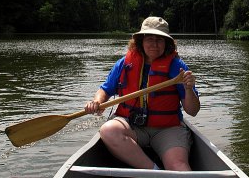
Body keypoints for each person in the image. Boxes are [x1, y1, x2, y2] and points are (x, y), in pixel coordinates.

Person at [84, 16, 200, 171]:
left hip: (167, 129)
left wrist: (188, 88)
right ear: (141, 41)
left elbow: (193, 111)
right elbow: (105, 89)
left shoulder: (177, 67)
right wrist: (97, 101)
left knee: (179, 167)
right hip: (131, 125)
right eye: (150, 39)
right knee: (108, 130)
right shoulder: (124, 64)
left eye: (160, 40)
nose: (154, 44)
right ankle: (154, 171)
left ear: (167, 43)